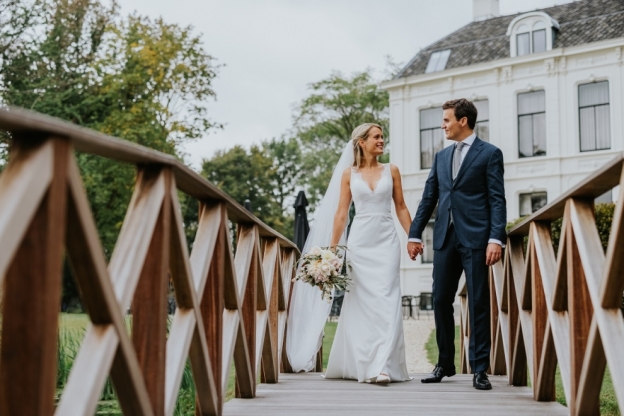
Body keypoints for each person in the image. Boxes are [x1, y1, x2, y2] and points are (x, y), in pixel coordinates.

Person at [407, 98, 506, 390]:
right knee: (439, 300)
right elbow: (429, 198)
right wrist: (414, 234)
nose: (443, 125)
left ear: (463, 121)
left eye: (447, 120)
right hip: (445, 239)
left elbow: (497, 199)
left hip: (477, 239)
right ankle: (445, 363)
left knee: (477, 302)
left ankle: (479, 369)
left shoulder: (490, 154)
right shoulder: (440, 157)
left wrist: (495, 238)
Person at [322, 123, 412, 384]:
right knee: (361, 303)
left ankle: (383, 365)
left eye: (383, 137)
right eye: (376, 137)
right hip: (360, 243)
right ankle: (363, 362)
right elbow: (341, 213)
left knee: (387, 298)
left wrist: (413, 237)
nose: (382, 140)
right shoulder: (349, 174)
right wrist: (333, 249)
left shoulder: (392, 170)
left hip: (386, 242)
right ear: (362, 142)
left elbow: (401, 207)